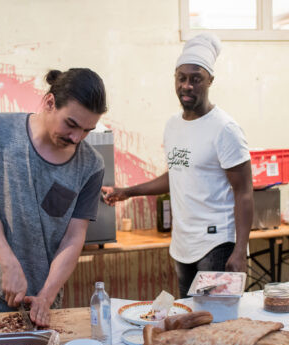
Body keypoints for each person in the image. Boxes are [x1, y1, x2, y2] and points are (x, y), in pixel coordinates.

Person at [0, 68, 107, 325]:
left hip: (41, 300)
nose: (76, 137)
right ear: (49, 103)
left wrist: (47, 295)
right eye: (71, 124)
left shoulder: (91, 165)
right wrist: (8, 263)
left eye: (87, 130)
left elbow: (73, 237)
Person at [103, 33, 253, 298]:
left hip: (218, 244)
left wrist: (240, 250)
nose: (187, 85)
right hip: (183, 244)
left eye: (196, 79)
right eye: (181, 78)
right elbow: (178, 174)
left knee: (214, 323)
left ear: (210, 81)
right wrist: (128, 192)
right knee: (189, 319)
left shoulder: (225, 128)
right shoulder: (173, 125)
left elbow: (244, 192)